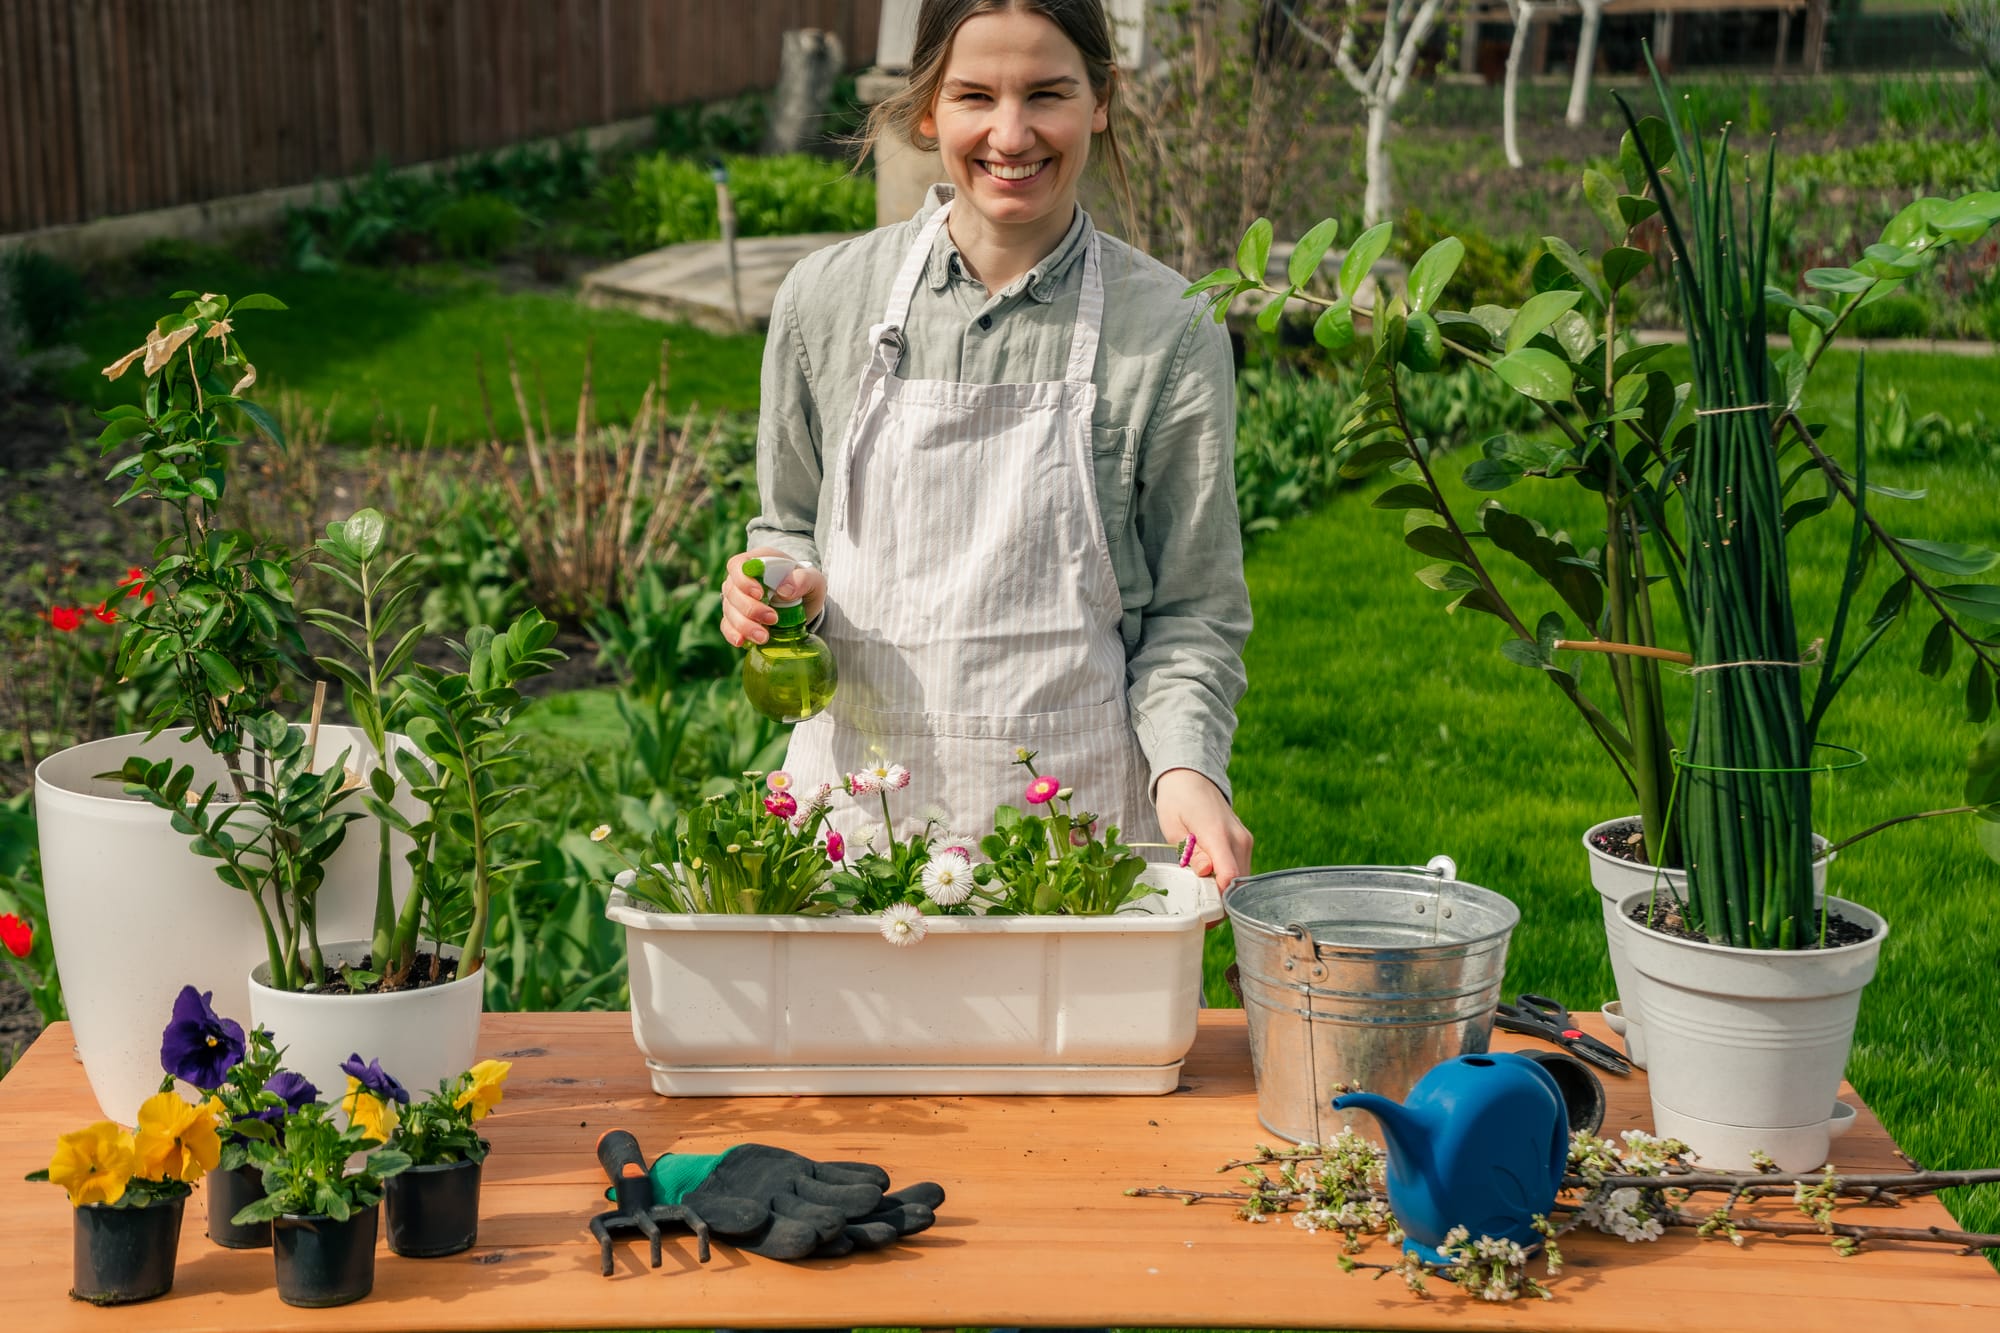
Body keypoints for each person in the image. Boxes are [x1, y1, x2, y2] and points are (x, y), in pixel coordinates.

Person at [721, 0, 1253, 891]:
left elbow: (1193, 613)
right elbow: (788, 526)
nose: (1012, 133)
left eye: (1047, 93)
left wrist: (1189, 769)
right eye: (974, 95)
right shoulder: (824, 302)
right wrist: (779, 587)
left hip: (1073, 836)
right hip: (858, 819)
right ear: (927, 107)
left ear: (1101, 100)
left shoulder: (1169, 330)